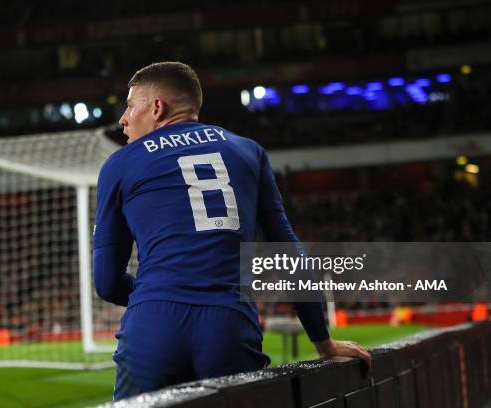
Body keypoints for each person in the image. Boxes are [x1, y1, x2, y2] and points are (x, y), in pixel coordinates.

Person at [93, 61, 371, 400]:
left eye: (130, 105)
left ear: (156, 107)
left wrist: (157, 295)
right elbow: (288, 251)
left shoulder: (120, 164)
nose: (123, 118)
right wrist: (322, 341)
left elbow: (107, 283)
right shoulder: (248, 151)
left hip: (152, 326)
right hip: (229, 324)